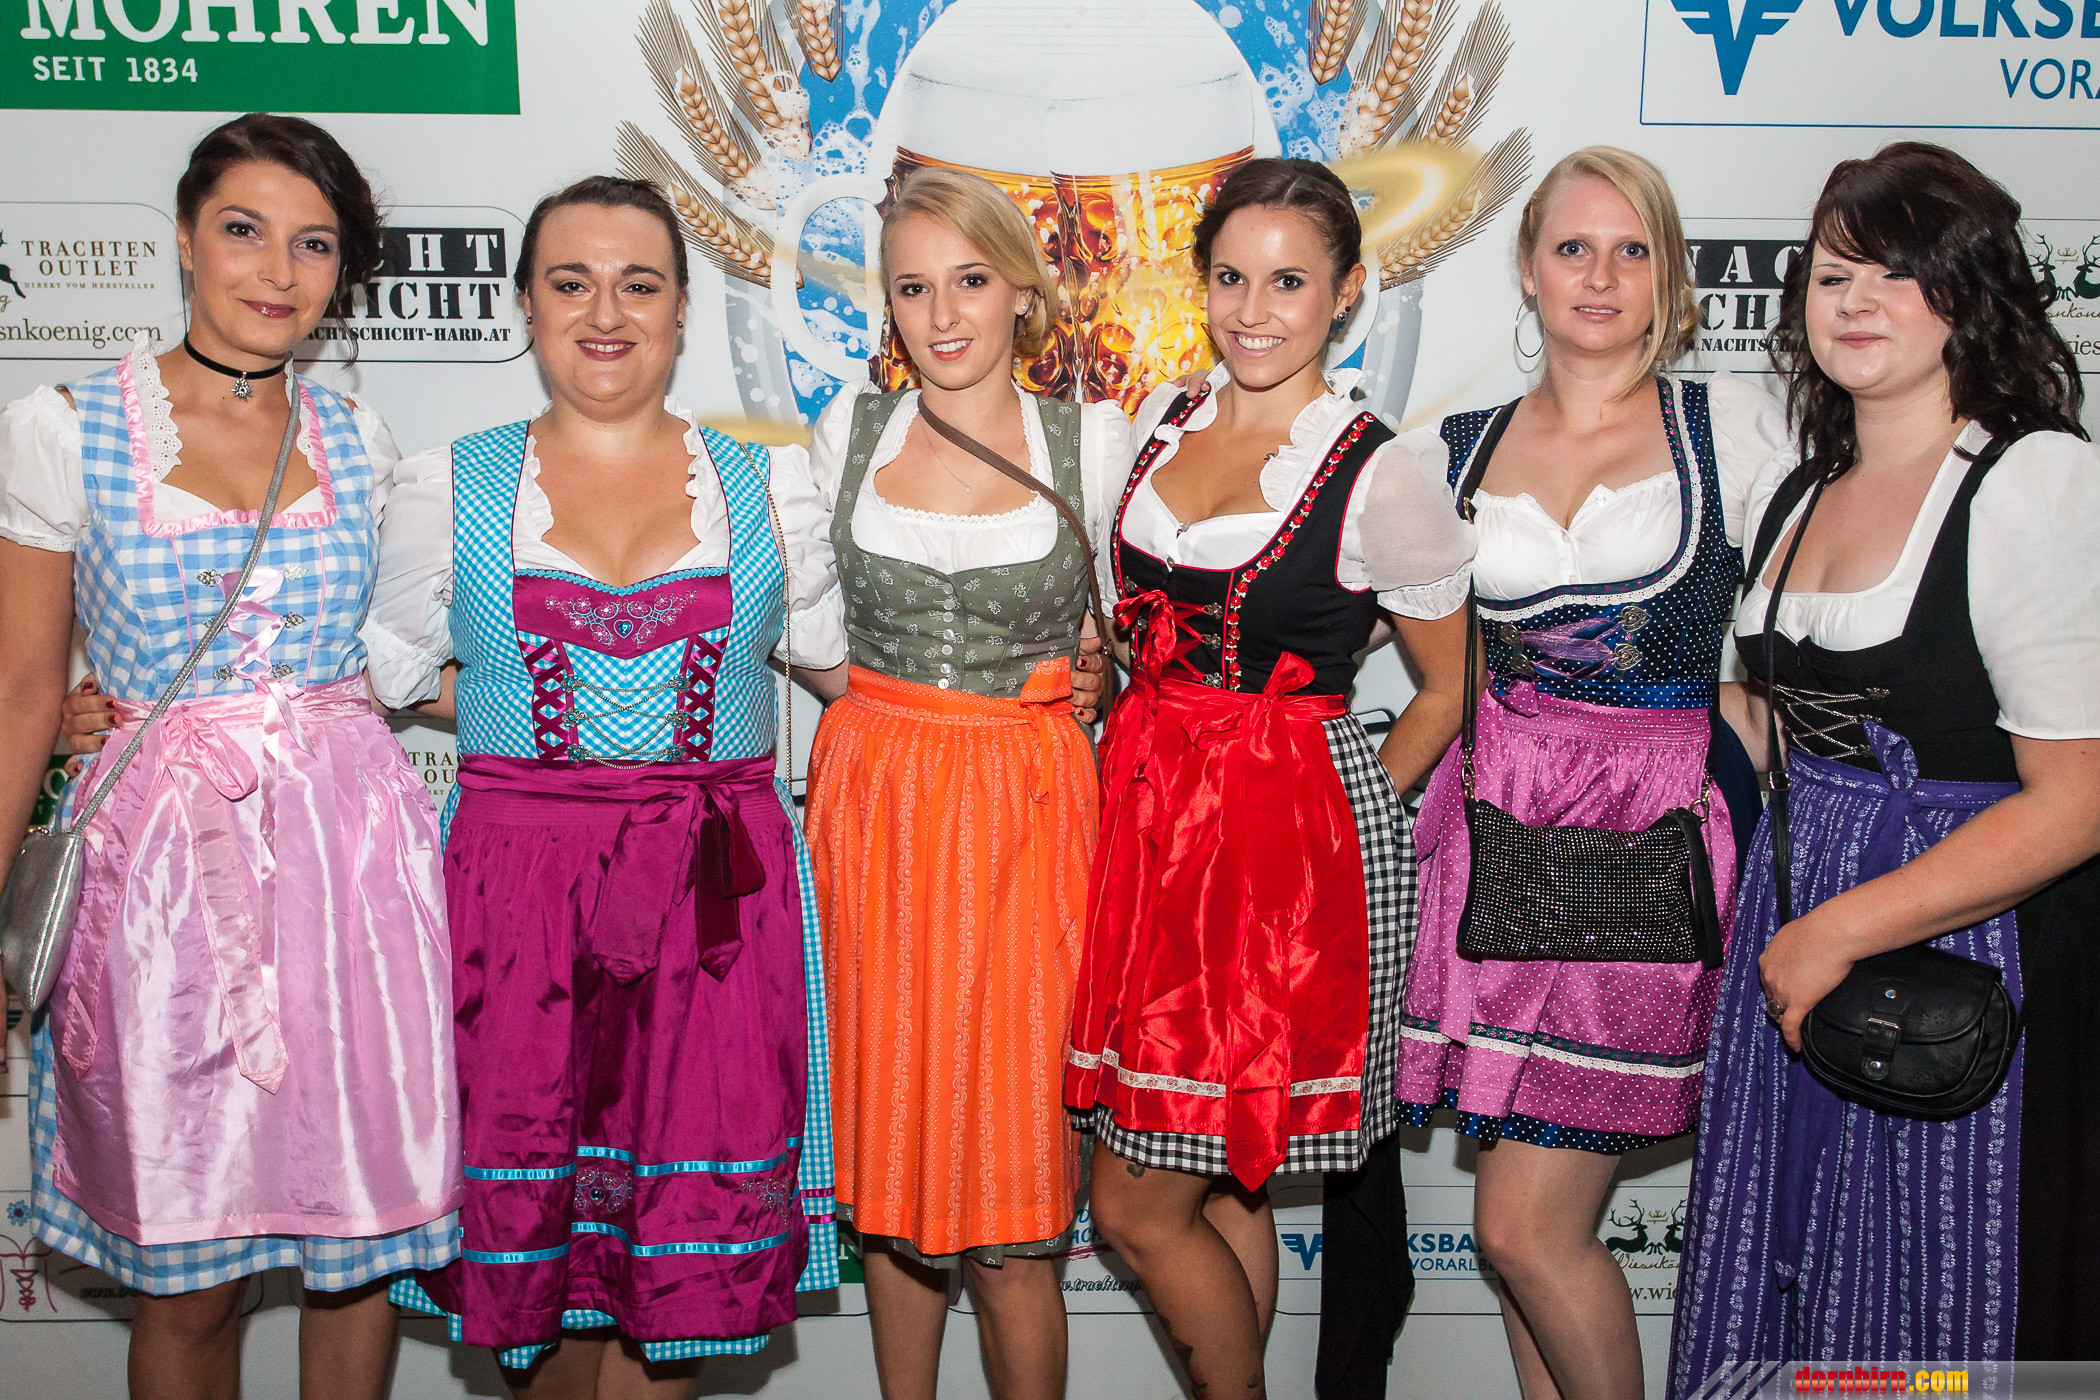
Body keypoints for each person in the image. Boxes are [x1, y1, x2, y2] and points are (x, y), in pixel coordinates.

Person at [0, 113, 460, 1399]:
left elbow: (401, 662)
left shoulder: (363, 441)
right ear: (186, 241)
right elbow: (24, 690)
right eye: (245, 230)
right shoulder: (65, 428)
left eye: (314, 244)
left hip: (352, 873)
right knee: (187, 1271)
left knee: (355, 1253)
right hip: (161, 885)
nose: (277, 270)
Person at [359, 176, 841, 1396]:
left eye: (639, 284)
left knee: (672, 1278)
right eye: (570, 282)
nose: (606, 312)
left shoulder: (768, 487)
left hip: (713, 901)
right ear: (526, 302)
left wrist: (1054, 678)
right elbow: (386, 675)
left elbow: (850, 673)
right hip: (515, 907)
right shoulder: (445, 483)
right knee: (539, 1264)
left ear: (681, 310)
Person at [1670, 142, 2100, 1389]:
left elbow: (2079, 799)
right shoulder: (1804, 487)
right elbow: (1783, 724)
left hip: (1967, 954)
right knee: (1808, 1266)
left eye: (1899, 272)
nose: (1858, 300)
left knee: (1939, 1282)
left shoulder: (2031, 477)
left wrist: (1837, 931)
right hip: (1805, 924)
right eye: (1834, 273)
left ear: (1971, 292)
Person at [1065, 156, 1475, 1400]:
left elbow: (1448, 688)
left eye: (1290, 281)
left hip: (1275, 862)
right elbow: (1128, 628)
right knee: (1221, 1177)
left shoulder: (1378, 469)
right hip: (1146, 827)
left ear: (1344, 293)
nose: (1255, 308)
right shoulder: (1163, 420)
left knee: (1134, 1202)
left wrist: (1334, 821)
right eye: (1233, 277)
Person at [1391, 147, 1788, 1400]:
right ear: (1528, 269)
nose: (1600, 276)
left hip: (1653, 851)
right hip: (1501, 847)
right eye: (1573, 248)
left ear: (1668, 275)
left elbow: (1825, 617)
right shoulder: (1447, 452)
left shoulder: (1737, 428)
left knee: (1523, 1224)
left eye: (1631, 250)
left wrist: (1750, 727)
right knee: (1518, 1241)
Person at [801, 167, 1128, 1400]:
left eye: (971, 280)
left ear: (1022, 293)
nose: (942, 315)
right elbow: (809, 633)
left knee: (1011, 1207)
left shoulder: (1094, 441)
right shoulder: (847, 435)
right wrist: (892, 717)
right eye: (912, 288)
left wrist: (1087, 679)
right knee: (891, 1194)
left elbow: (1142, 631)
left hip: (1028, 817)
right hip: (878, 810)